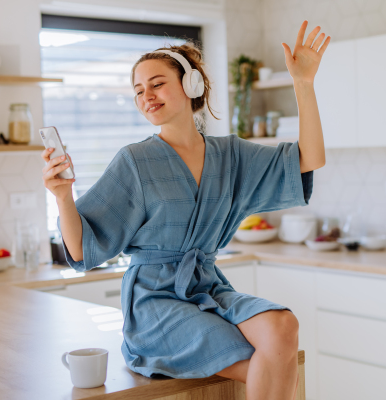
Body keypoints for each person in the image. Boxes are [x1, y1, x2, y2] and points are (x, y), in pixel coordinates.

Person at [41, 20, 330, 400]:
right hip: (154, 303)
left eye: (157, 83)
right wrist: (63, 196)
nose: (147, 96)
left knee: (283, 326)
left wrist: (303, 85)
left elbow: (310, 158)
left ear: (191, 84)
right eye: (138, 90)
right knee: (266, 358)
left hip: (208, 288)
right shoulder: (134, 161)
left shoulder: (232, 155)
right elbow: (81, 253)